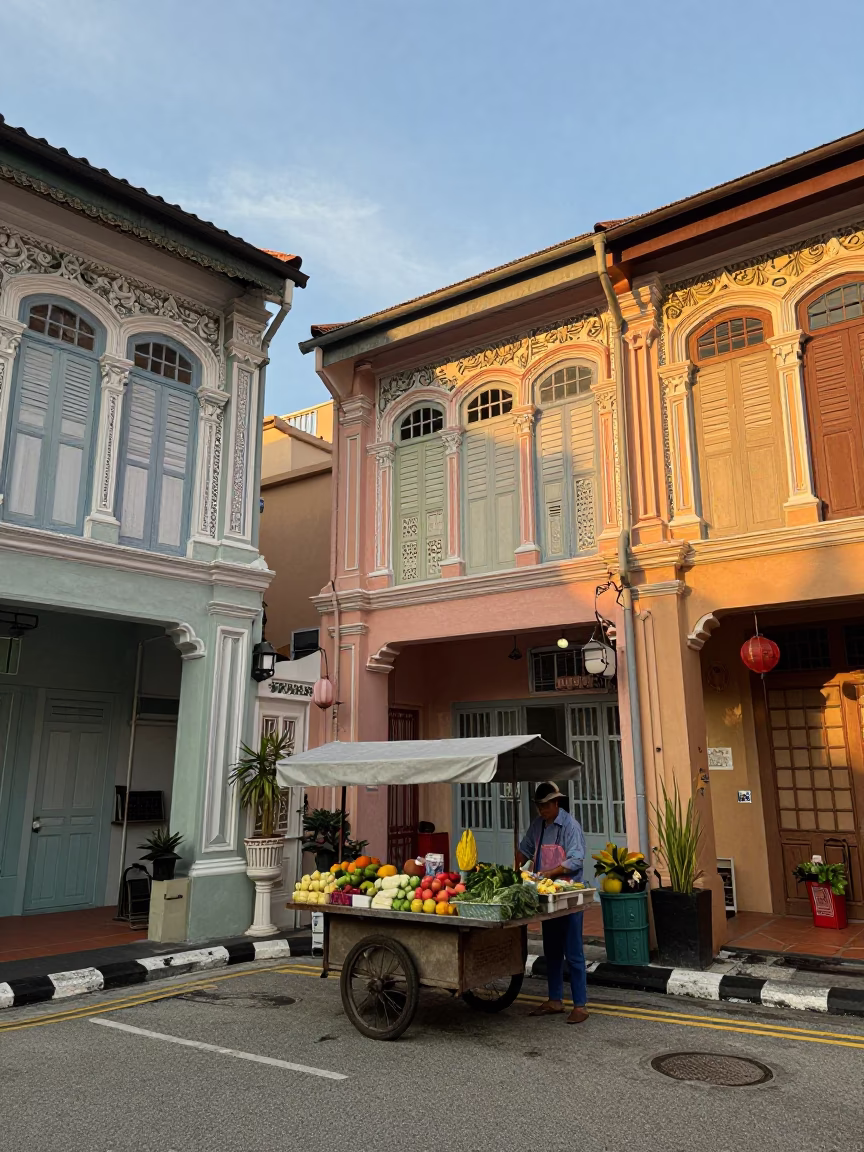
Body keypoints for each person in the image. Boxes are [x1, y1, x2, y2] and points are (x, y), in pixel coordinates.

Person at [516, 780, 588, 1024]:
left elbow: (576, 860)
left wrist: (551, 872)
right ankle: (555, 999)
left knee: (574, 951)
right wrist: (516, 868)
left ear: (556, 803)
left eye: (546, 806)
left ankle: (581, 1005)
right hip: (547, 895)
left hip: (568, 895)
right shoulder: (537, 826)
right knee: (552, 950)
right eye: (539, 806)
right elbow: (525, 849)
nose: (542, 811)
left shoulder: (570, 826)